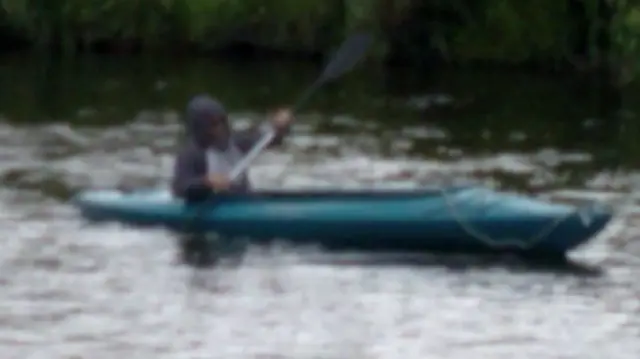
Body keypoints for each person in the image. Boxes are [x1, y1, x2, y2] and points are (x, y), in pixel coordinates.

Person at [171, 94, 293, 201]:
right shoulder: (191, 154)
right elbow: (179, 188)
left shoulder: (238, 141)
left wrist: (281, 127)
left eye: (222, 122)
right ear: (200, 129)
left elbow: (272, 139)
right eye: (213, 125)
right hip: (210, 204)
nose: (219, 129)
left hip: (242, 200)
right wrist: (206, 182)